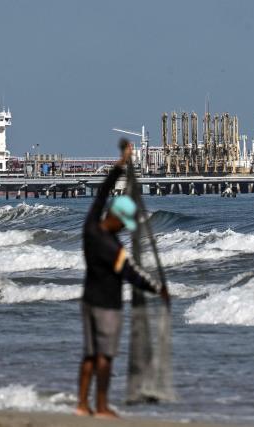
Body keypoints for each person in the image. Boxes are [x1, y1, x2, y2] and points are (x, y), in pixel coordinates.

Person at [77, 143, 169, 418]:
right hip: (107, 306)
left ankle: (82, 404)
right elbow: (131, 274)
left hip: (88, 301)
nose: (125, 228)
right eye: (124, 223)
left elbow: (101, 195)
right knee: (105, 358)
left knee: (90, 355)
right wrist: (157, 289)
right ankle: (102, 406)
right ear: (117, 219)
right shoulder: (113, 249)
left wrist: (120, 165)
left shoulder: (91, 228)